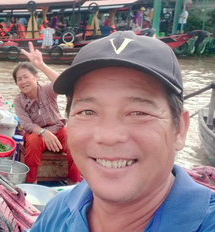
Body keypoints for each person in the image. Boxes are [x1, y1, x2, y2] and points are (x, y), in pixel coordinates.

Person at [30, 30, 215, 231]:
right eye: (88, 111)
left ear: (179, 129)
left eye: (138, 113)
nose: (108, 137)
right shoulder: (57, 212)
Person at [12, 42, 81, 184]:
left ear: (36, 77)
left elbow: (63, 83)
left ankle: (73, 182)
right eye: (19, 79)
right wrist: (44, 133)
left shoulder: (47, 90)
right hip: (37, 134)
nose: (23, 81)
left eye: (26, 76)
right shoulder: (18, 100)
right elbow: (26, 124)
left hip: (58, 129)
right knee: (33, 140)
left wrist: (41, 65)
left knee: (75, 141)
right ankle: (32, 182)